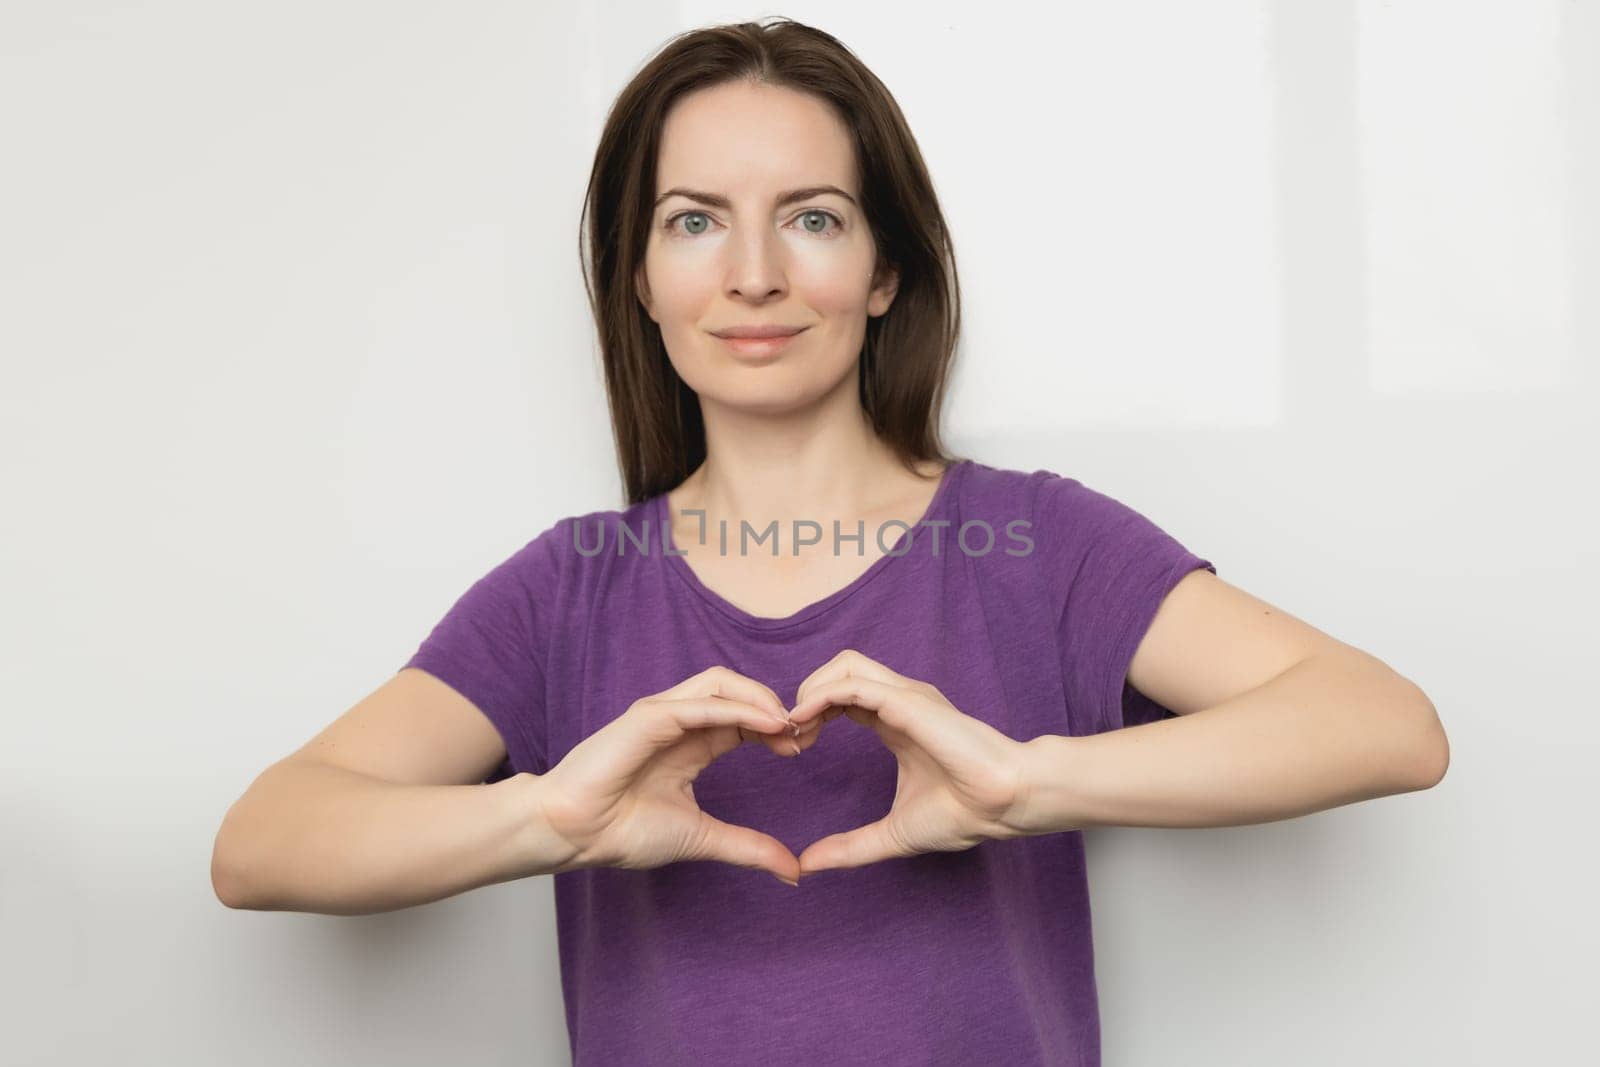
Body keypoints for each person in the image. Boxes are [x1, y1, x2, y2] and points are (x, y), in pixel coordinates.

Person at [210, 17, 1450, 1066]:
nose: (752, 274)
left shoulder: (1031, 542)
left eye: (809, 216)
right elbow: (263, 841)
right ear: (638, 281)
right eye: (693, 222)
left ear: (885, 270)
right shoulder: (569, 589)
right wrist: (549, 822)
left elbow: (1384, 725)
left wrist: (1029, 785)